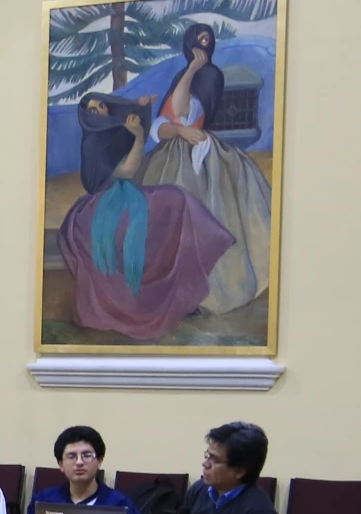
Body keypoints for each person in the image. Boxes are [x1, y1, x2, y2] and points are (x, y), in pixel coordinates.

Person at [55, 92, 233, 342]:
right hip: (107, 204)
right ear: (86, 116)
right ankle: (157, 303)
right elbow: (127, 170)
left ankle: (185, 289)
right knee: (171, 204)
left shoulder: (113, 131)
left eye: (103, 106)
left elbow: (135, 134)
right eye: (93, 111)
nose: (101, 112)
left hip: (126, 196)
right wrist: (138, 136)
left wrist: (141, 109)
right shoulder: (94, 142)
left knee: (178, 200)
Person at [141, 23, 275, 315]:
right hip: (172, 154)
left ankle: (202, 294)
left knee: (203, 217)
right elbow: (161, 125)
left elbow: (186, 115)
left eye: (207, 39)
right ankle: (169, 292)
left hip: (203, 153)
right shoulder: (183, 75)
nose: (203, 45)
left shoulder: (212, 75)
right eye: (198, 40)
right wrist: (188, 75)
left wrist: (180, 127)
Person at [10, 426, 148, 514]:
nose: (79, 462)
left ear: (99, 461)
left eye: (87, 455)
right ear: (60, 465)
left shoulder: (119, 503)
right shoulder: (44, 501)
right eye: (71, 456)